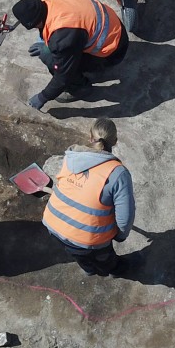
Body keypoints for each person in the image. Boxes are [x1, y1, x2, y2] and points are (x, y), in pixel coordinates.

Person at [42, 118, 135, 276]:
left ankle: (88, 269)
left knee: (77, 253)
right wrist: (120, 236)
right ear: (115, 141)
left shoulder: (71, 157)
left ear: (90, 138)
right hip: (88, 239)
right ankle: (111, 270)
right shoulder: (118, 173)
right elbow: (125, 217)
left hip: (52, 224)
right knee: (105, 259)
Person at [12, 0, 129, 111]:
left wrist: (43, 97)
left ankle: (81, 89)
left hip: (113, 52)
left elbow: (63, 76)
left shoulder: (63, 38)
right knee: (51, 50)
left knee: (50, 58)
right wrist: (44, 38)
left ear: (36, 22)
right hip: (114, 27)